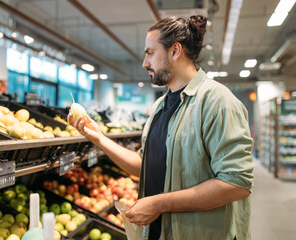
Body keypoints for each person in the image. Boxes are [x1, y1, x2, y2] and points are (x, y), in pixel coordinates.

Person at [68, 15, 254, 240]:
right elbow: (145, 164)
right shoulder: (159, 107)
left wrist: (159, 204)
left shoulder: (217, 102)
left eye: (150, 53)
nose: (145, 63)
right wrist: (99, 138)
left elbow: (236, 183)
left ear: (175, 51)